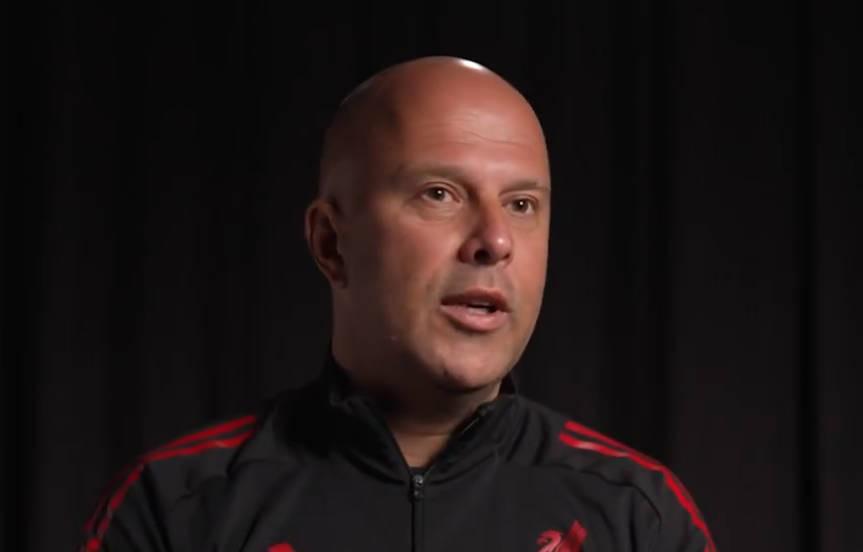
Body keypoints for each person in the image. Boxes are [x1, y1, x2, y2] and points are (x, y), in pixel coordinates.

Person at [81, 56, 716, 552]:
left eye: (522, 204)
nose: (495, 240)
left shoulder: (639, 515)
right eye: (440, 193)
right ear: (331, 244)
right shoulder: (175, 508)